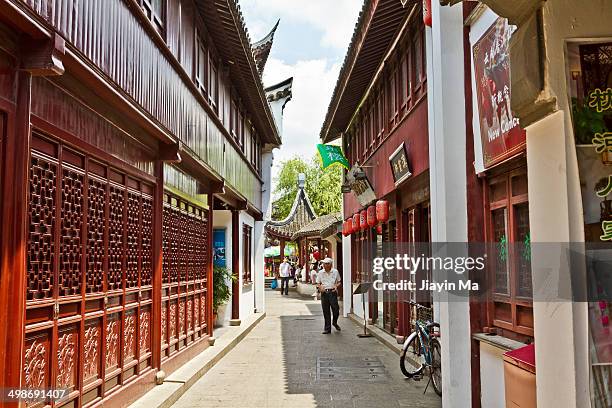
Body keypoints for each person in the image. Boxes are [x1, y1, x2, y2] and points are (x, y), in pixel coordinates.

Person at [316, 258, 341, 334]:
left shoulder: (335, 272)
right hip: (324, 293)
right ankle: (327, 329)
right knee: (326, 311)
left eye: (326, 264)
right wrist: (320, 288)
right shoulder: (320, 273)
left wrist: (336, 286)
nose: (324, 265)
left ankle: (334, 322)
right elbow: (318, 283)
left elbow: (339, 282)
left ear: (330, 264)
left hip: (332, 292)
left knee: (336, 310)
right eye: (324, 264)